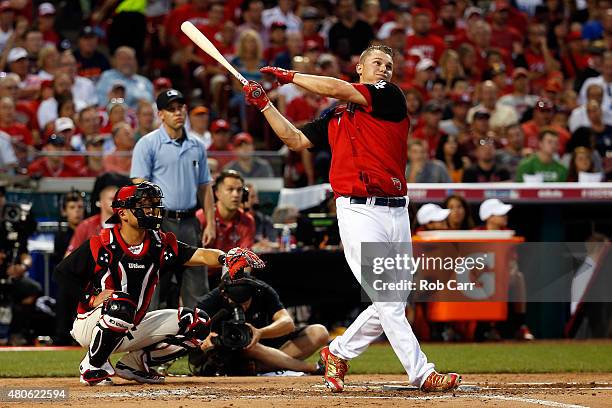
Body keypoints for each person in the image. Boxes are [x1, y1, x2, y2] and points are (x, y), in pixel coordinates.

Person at [242, 44, 461, 392]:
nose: (385, 69)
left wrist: (290, 77)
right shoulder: (335, 115)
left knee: (393, 298)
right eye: (377, 63)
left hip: (396, 209)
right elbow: (295, 139)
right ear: (360, 67)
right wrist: (265, 105)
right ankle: (421, 372)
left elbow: (338, 88)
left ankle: (338, 352)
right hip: (358, 210)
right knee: (389, 298)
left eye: (389, 64)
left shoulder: (389, 96)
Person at [54, 181, 265, 385]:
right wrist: (90, 299)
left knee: (197, 322)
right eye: (144, 206)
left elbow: (198, 255)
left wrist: (225, 258)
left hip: (133, 322)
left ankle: (135, 364)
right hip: (92, 324)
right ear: (123, 213)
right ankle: (93, 364)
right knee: (122, 304)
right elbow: (62, 273)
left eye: (154, 205)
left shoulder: (158, 242)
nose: (152, 210)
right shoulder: (101, 242)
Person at [131, 89, 216, 310]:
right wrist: (148, 224)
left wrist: (210, 222)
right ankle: (150, 341)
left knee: (196, 284)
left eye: (181, 108)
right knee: (155, 283)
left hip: (189, 222)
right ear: (161, 114)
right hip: (160, 222)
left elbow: (205, 186)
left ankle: (196, 340)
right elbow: (141, 185)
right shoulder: (147, 143)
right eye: (171, 109)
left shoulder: (197, 145)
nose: (178, 113)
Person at [192, 270, 328, 376]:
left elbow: (288, 323)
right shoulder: (210, 301)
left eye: (245, 301)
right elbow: (191, 343)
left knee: (319, 332)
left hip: (269, 347)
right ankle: (312, 367)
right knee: (250, 345)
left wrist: (260, 333)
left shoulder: (262, 290)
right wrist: (203, 341)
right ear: (225, 295)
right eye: (236, 302)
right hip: (234, 352)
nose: (242, 307)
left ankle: (264, 366)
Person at [476, 199, 535, 341]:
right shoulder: (476, 233)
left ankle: (521, 325)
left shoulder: (508, 234)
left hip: (502, 276)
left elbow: (512, 263)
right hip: (479, 278)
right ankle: (488, 327)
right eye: (500, 214)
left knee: (517, 276)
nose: (505, 216)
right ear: (489, 217)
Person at [196, 170, 256, 287]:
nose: (235, 194)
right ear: (217, 193)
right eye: (230, 189)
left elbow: (246, 258)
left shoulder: (248, 220)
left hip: (231, 278)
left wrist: (243, 283)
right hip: (203, 278)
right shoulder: (201, 218)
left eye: (239, 190)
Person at [52, 191, 85, 345]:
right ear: (64, 211)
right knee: (64, 290)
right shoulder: (61, 236)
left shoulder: (90, 229)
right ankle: (62, 335)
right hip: (70, 279)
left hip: (89, 278)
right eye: (72, 207)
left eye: (79, 207)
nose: (77, 211)